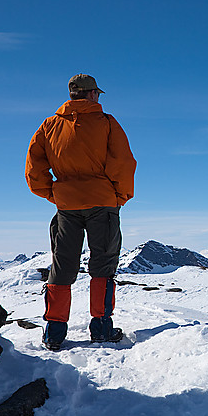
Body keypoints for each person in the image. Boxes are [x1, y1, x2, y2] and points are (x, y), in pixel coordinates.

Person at [26, 74, 137, 351]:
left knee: (62, 266)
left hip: (66, 205)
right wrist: (118, 196)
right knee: (103, 264)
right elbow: (122, 162)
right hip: (102, 202)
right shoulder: (107, 123)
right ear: (91, 95)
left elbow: (34, 165)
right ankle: (101, 328)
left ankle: (54, 332)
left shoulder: (49, 125)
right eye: (96, 93)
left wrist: (52, 193)